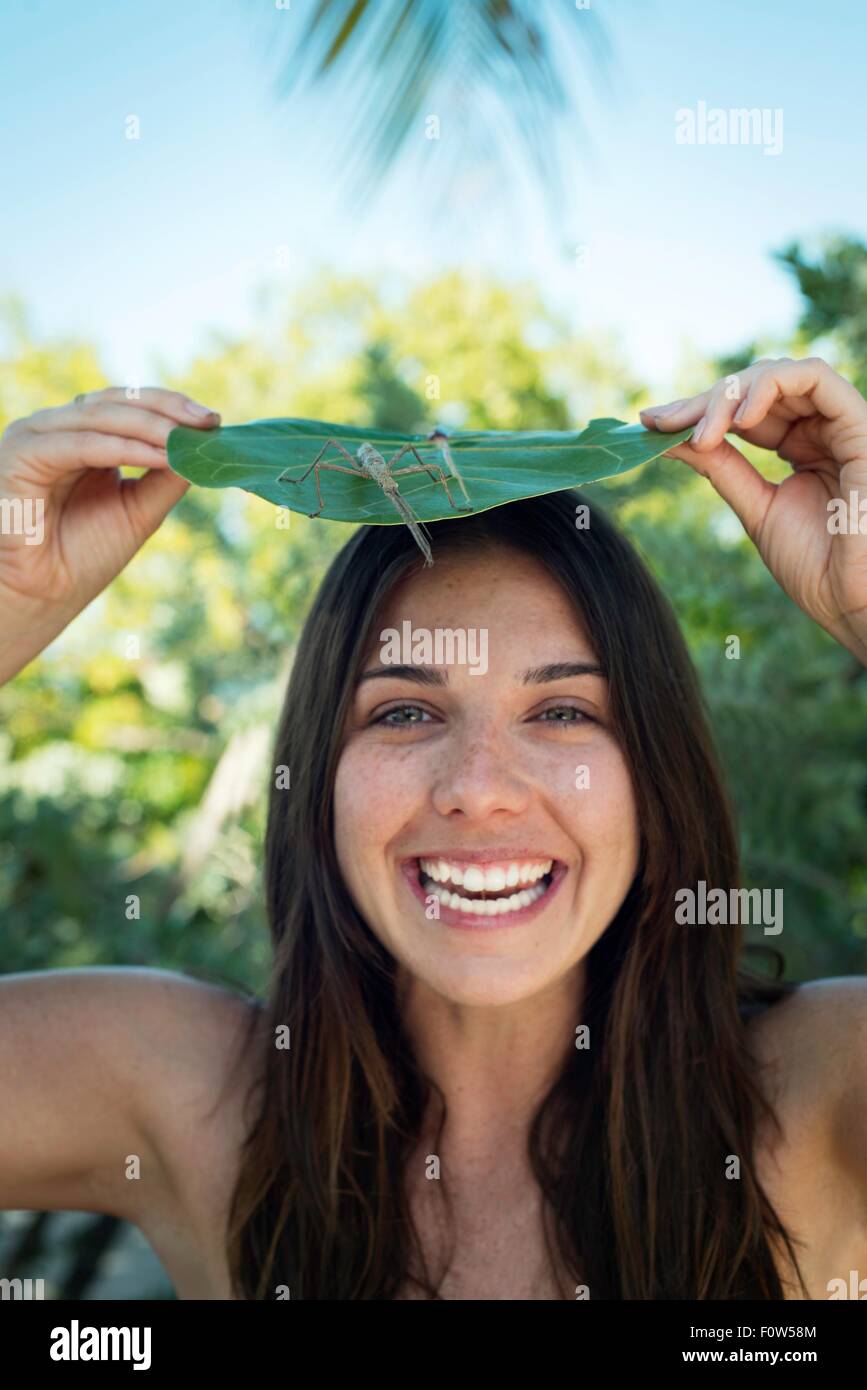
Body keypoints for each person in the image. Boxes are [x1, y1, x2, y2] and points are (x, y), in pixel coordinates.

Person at [0, 358, 864, 1300]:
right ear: (316, 775)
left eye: (564, 712)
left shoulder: (815, 1089)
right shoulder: (183, 1089)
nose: (478, 791)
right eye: (404, 714)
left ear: (656, 773)